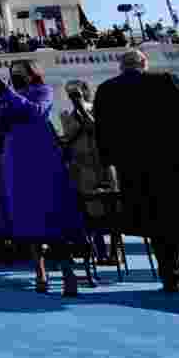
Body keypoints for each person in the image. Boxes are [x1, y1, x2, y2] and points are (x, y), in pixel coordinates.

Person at [94, 49, 179, 307]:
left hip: (137, 171)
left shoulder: (107, 91)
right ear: (144, 64)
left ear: (121, 67)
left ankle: (170, 278)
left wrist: (111, 163)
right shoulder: (166, 80)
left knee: (157, 227)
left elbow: (103, 134)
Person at [0, 61, 83, 296]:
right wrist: (4, 98)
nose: (17, 76)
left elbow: (36, 112)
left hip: (40, 155)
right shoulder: (10, 95)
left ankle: (67, 272)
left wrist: (8, 93)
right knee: (26, 214)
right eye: (13, 74)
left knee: (52, 212)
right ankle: (40, 272)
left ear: (32, 74)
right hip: (16, 157)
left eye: (21, 72)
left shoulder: (44, 91)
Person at [60, 80, 116, 263]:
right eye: (71, 95)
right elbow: (68, 140)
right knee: (89, 212)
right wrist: (77, 121)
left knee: (110, 209)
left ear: (84, 92)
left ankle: (114, 251)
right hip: (82, 167)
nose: (74, 97)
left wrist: (83, 111)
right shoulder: (67, 116)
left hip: (102, 165)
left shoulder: (95, 109)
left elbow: (97, 130)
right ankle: (97, 251)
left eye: (76, 93)